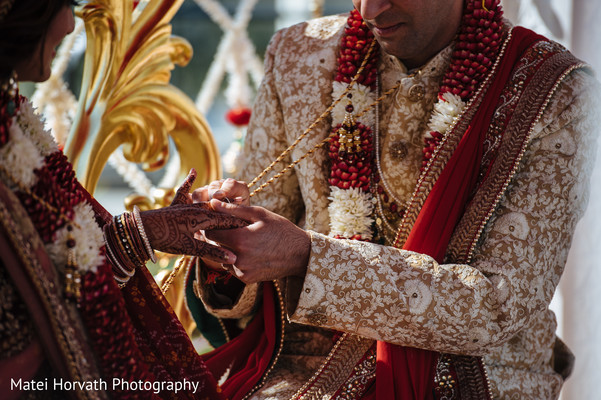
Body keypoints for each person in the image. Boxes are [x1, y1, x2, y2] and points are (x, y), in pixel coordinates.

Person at [186, 0, 600, 398]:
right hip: (307, 372)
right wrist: (222, 241)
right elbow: (258, 279)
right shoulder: (300, 56)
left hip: (477, 379)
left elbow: (496, 307)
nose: (369, 10)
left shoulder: (556, 92)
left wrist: (307, 257)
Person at [0, 1, 244, 399]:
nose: (68, 24)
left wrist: (143, 234)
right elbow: (26, 323)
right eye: (62, 4)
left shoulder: (12, 116)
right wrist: (136, 236)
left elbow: (61, 263)